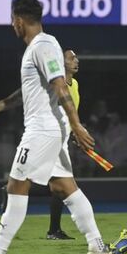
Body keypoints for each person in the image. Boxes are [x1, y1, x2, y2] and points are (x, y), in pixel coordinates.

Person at [0, 0, 109, 254]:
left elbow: (60, 85)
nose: (11, 26)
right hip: (50, 128)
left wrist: (76, 124)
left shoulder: (42, 46)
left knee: (16, 184)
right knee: (63, 186)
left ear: (19, 20)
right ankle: (97, 245)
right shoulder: (41, 47)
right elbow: (31, 89)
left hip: (42, 129)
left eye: (11, 21)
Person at [46, 49, 80, 240]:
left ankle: (54, 230)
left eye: (76, 58)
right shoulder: (55, 85)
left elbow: (74, 112)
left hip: (64, 139)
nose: (76, 61)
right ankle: (54, 230)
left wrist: (77, 132)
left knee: (57, 185)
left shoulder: (74, 84)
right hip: (52, 139)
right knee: (61, 184)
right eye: (72, 58)